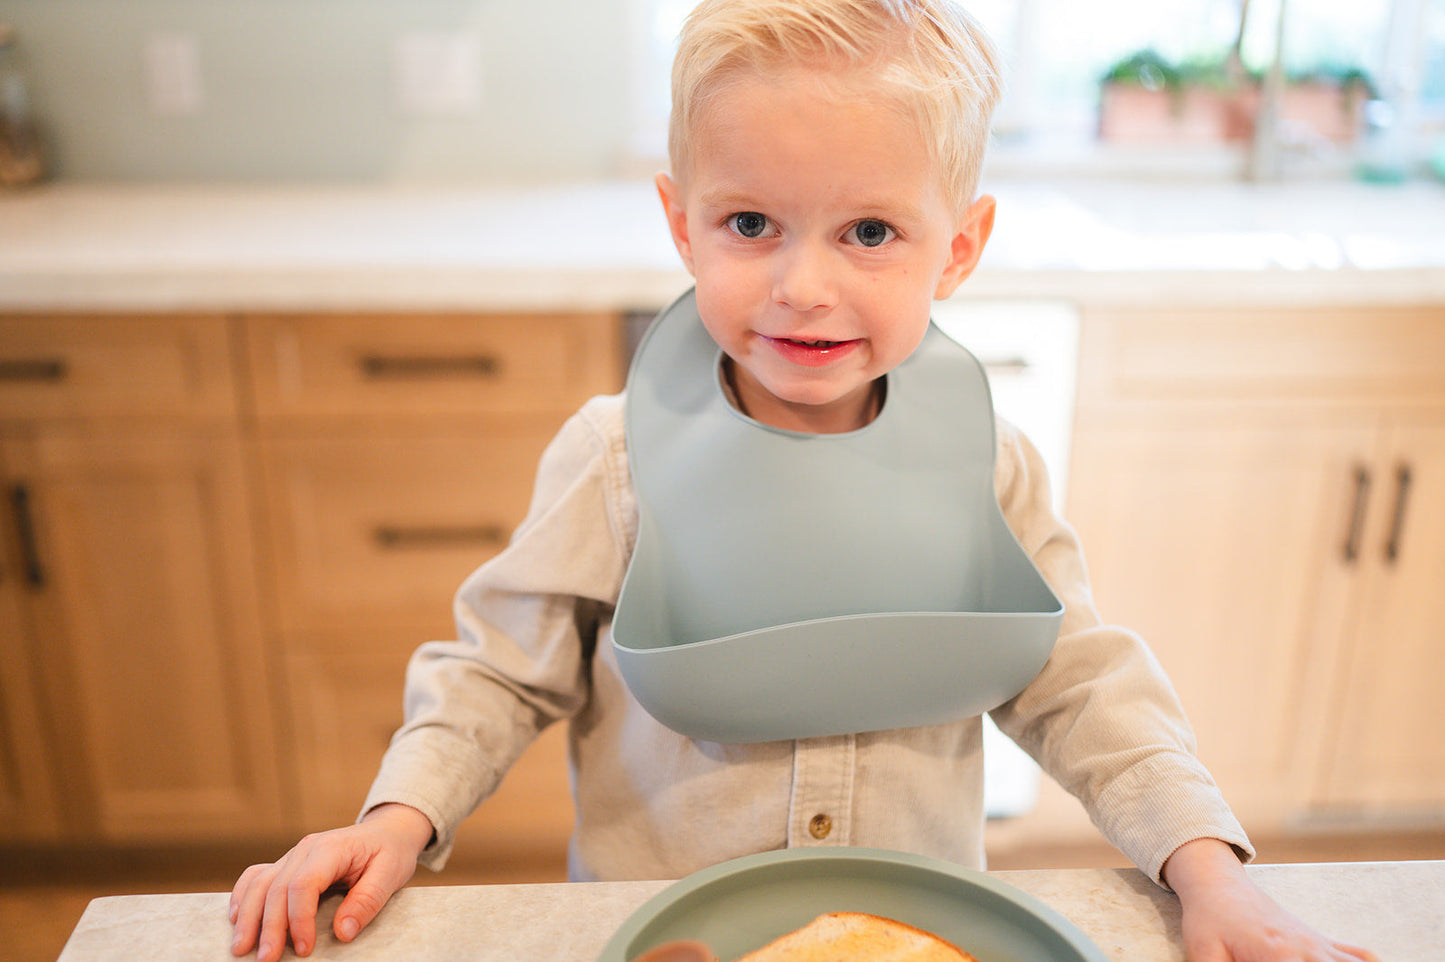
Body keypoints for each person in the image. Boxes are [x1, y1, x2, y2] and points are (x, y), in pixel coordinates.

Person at [229, 2, 1377, 961]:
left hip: (910, 935)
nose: (800, 285)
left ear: (960, 248)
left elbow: (1081, 683)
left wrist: (1206, 871)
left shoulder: (989, 464)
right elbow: (497, 671)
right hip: (674, 937)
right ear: (681, 225)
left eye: (870, 230)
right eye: (749, 222)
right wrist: (396, 815)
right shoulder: (614, 458)